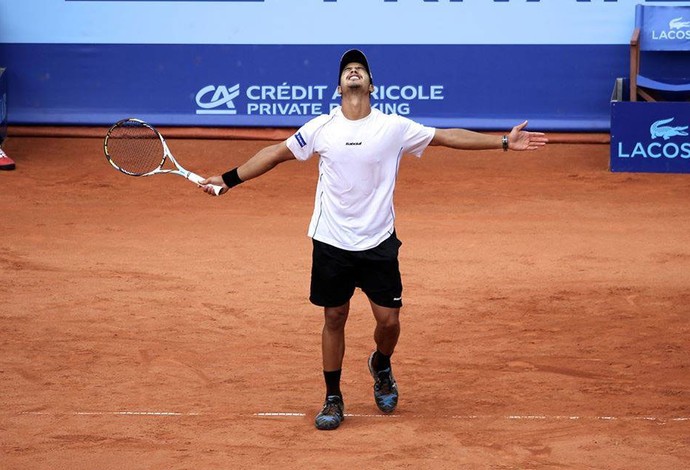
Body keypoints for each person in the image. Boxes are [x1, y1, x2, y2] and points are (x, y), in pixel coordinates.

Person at [200, 49, 548, 430]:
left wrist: (502, 142)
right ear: (338, 88)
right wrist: (229, 178)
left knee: (390, 321)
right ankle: (333, 398)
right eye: (348, 69)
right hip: (331, 239)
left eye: (360, 69)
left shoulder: (393, 127)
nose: (354, 71)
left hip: (378, 240)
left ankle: (381, 363)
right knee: (334, 315)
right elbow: (276, 153)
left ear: (371, 86)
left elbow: (446, 137)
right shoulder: (321, 127)